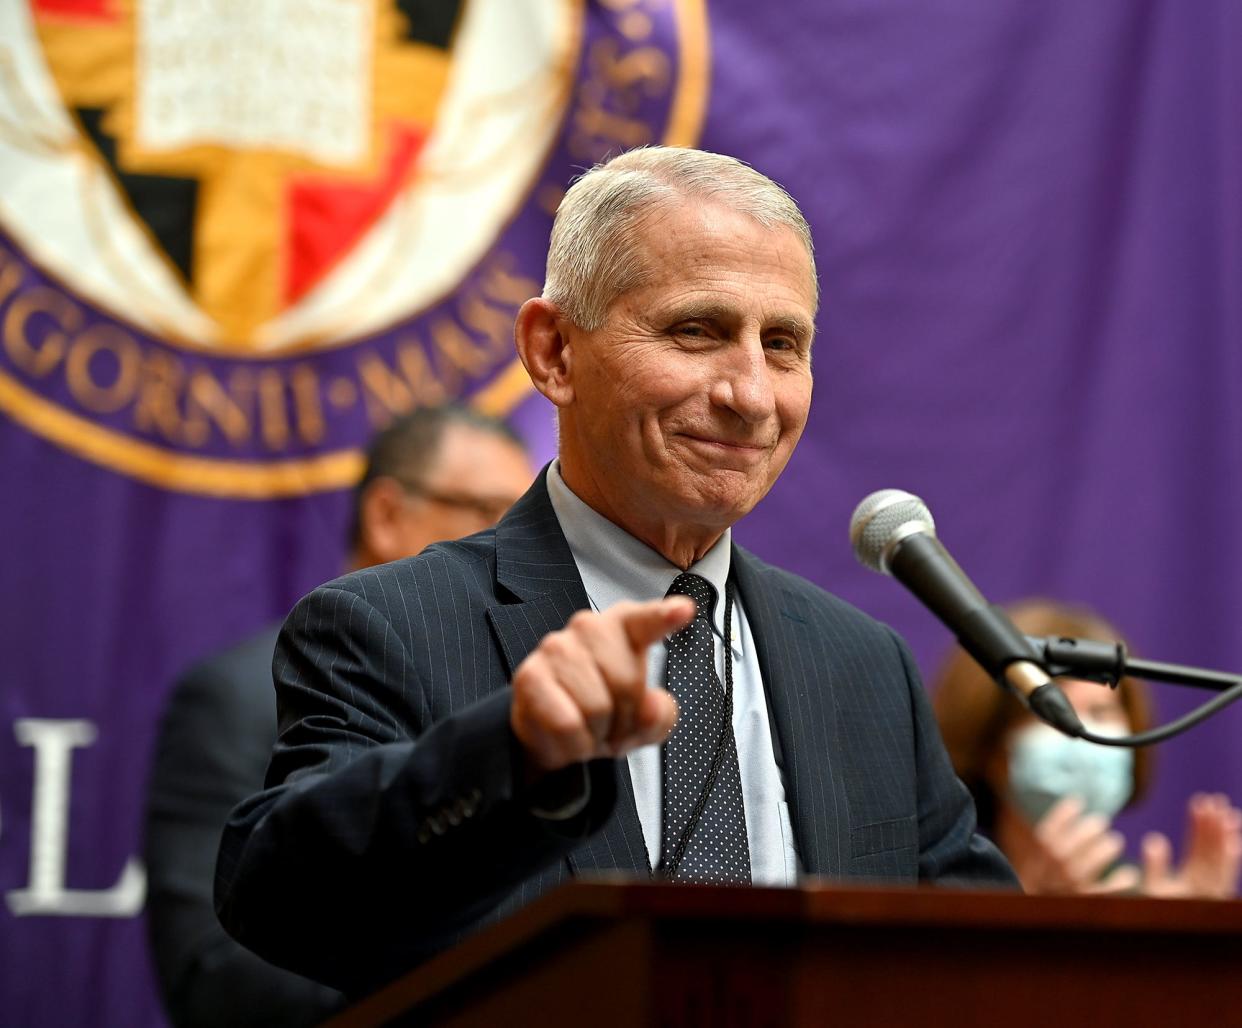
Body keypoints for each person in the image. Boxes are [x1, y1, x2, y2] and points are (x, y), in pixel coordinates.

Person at [216, 146, 1017, 1001]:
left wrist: (1159, 951)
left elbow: (973, 972)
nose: (751, 394)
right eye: (696, 331)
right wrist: (516, 755)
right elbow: (279, 901)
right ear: (553, 351)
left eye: (783, 343)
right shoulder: (390, 625)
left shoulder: (864, 667)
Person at [143, 406, 534, 1027]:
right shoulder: (237, 698)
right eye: (489, 515)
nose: (508, 553)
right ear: (385, 515)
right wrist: (460, 1002)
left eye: (525, 532)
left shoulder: (520, 700)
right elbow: (209, 968)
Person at [932, 598, 1242, 898]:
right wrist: (1028, 910)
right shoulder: (939, 887)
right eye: (1053, 712)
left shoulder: (1149, 894)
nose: (1080, 734)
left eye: (1101, 712)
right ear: (991, 748)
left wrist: (1194, 933)